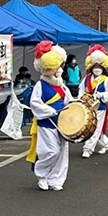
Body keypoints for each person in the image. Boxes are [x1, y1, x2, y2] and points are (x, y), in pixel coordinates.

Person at [26, 40, 71, 191]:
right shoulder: (40, 85)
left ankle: (56, 179)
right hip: (47, 123)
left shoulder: (62, 85)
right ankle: (42, 174)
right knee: (51, 151)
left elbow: (68, 100)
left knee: (63, 152)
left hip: (62, 123)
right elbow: (35, 103)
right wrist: (49, 111)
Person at [79, 45, 108, 158]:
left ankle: (88, 149)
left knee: (95, 128)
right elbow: (81, 90)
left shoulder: (105, 79)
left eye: (99, 66)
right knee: (90, 127)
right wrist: (83, 98)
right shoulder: (87, 78)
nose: (97, 68)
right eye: (95, 66)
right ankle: (105, 143)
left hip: (100, 107)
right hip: (88, 106)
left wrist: (101, 95)